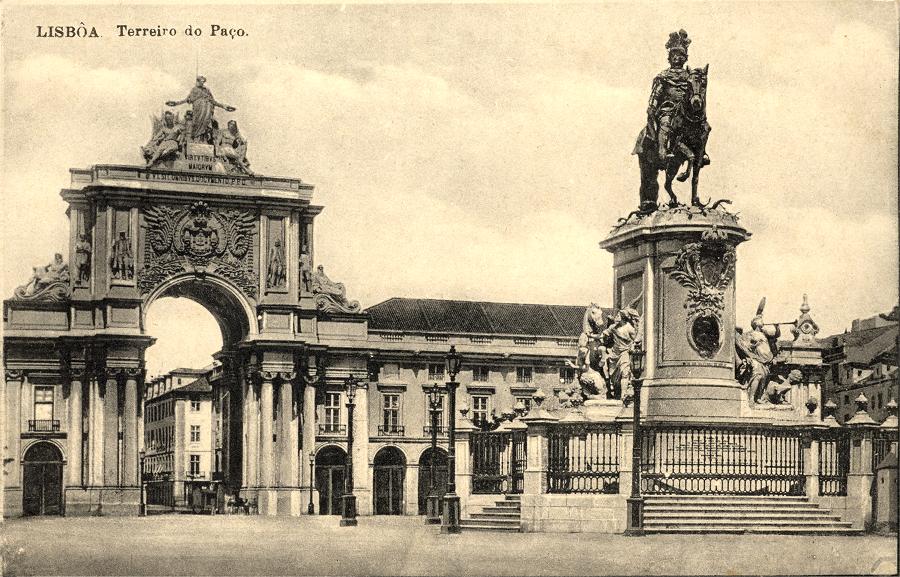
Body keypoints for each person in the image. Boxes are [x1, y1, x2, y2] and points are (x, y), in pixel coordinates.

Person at [645, 30, 692, 164]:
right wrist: (653, 105)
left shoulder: (690, 76)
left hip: (685, 110)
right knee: (666, 122)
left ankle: (701, 152)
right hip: (668, 109)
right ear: (670, 58)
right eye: (674, 55)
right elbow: (657, 93)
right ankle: (662, 150)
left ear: (685, 58)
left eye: (680, 55)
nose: (677, 58)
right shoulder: (664, 76)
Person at [166, 76, 236, 143]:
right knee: (196, 124)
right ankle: (196, 138)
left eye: (203, 82)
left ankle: (203, 140)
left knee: (206, 126)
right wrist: (176, 103)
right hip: (198, 110)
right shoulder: (194, 90)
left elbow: (213, 101)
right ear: (197, 81)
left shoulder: (207, 90)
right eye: (200, 81)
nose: (202, 83)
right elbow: (186, 99)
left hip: (207, 111)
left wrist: (224, 106)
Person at [736, 314, 781, 404]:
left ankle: (758, 397)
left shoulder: (764, 333)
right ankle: (751, 398)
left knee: (763, 378)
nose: (762, 321)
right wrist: (755, 345)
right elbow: (745, 347)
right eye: (760, 320)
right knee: (758, 375)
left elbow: (776, 335)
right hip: (757, 358)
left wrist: (777, 327)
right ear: (755, 323)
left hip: (767, 360)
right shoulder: (750, 334)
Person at [600, 308, 641, 401]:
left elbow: (635, 340)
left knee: (624, 372)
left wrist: (632, 347)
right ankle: (617, 394)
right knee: (613, 376)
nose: (616, 317)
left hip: (625, 352)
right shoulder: (613, 327)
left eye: (618, 315)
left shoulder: (629, 328)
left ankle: (623, 395)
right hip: (614, 354)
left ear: (623, 317)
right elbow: (604, 335)